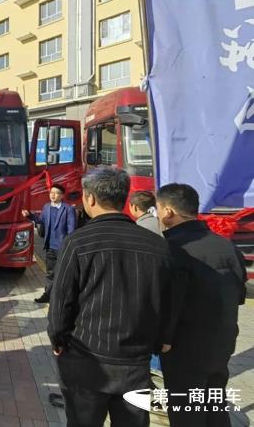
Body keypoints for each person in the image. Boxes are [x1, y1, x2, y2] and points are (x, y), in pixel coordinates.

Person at [48, 166, 173, 427]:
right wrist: (159, 341)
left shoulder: (78, 242)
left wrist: (58, 339)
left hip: (87, 359)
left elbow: (61, 301)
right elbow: (165, 301)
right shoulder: (157, 245)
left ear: (90, 198)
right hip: (136, 364)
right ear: (124, 199)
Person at [156, 184, 247, 427]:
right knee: (215, 405)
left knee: (187, 412)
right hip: (222, 342)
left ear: (168, 211)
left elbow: (169, 300)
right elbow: (239, 294)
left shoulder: (172, 249)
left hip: (183, 346)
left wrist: (163, 339)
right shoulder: (226, 245)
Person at [21, 184, 76, 303]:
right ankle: (47, 295)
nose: (53, 195)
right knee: (50, 273)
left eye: (56, 193)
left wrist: (70, 246)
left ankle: (61, 297)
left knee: (62, 273)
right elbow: (41, 220)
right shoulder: (46, 207)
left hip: (63, 248)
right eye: (51, 192)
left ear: (62, 196)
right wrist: (29, 215)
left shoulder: (68, 209)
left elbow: (71, 230)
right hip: (50, 247)